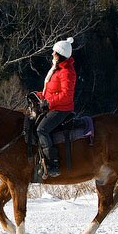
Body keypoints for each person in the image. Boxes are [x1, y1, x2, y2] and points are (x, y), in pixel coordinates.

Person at [35, 37, 76, 178]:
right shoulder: (57, 69)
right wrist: (38, 95)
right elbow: (51, 91)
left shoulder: (67, 72)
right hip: (53, 106)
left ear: (61, 55)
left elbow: (66, 96)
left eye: (55, 52)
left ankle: (53, 164)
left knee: (42, 129)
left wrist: (48, 103)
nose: (52, 54)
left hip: (61, 109)